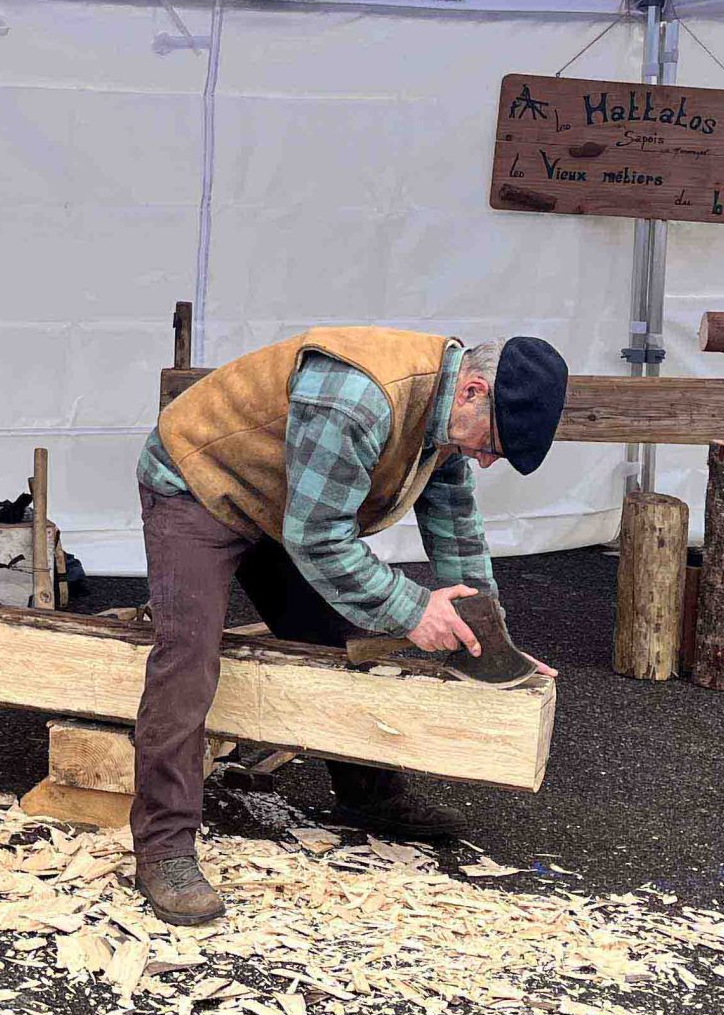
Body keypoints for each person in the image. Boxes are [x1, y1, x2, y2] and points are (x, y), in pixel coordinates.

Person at [128, 327, 568, 926]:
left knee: (328, 640)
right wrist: (414, 610)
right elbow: (318, 538)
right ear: (472, 391)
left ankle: (369, 795)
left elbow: (456, 526)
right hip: (198, 484)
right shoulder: (358, 397)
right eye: (493, 444)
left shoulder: (447, 420)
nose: (487, 460)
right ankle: (165, 848)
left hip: (282, 498)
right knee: (189, 658)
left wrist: (489, 636)